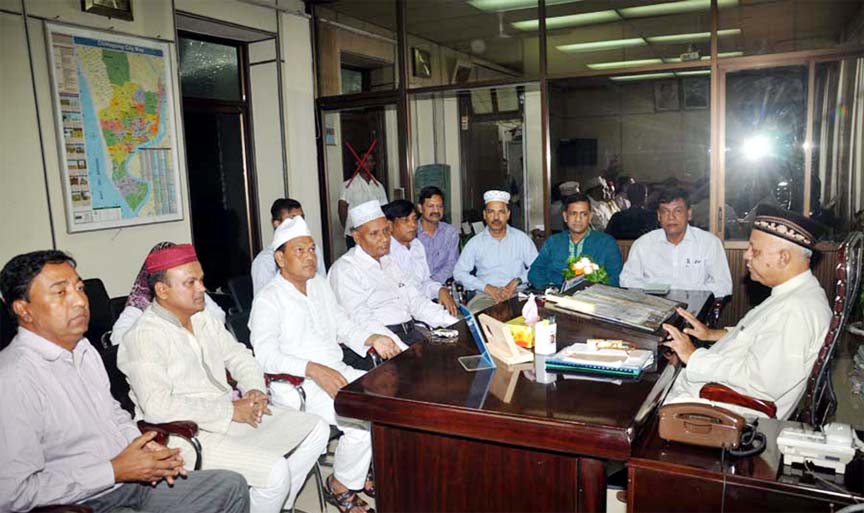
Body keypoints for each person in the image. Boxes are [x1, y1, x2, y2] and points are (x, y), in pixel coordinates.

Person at [0, 250, 250, 513]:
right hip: (81, 502)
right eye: (61, 292)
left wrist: (144, 447)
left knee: (230, 486)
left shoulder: (83, 351)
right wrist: (113, 471)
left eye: (80, 288)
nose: (79, 301)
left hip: (129, 481)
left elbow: (113, 414)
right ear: (23, 309)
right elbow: (11, 493)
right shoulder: (13, 379)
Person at [117, 244, 330, 513]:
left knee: (317, 429)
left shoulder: (202, 316)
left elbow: (238, 355)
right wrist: (230, 411)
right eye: (190, 283)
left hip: (230, 415)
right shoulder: (144, 336)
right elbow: (158, 407)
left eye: (201, 280)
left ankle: (275, 504)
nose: (202, 289)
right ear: (162, 290)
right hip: (186, 434)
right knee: (276, 472)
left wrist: (254, 388)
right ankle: (268, 496)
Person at [250, 216, 401, 513]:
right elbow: (265, 356)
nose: (310, 257)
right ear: (280, 258)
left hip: (336, 371)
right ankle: (340, 485)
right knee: (361, 422)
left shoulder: (318, 285)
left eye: (312, 249)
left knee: (390, 397)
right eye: (300, 251)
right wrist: (313, 369)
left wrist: (372, 337)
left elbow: (343, 324)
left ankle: (361, 471)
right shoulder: (268, 299)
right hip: (298, 387)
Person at [662, 205, 831, 420]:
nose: (746, 255)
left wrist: (693, 356)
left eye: (755, 250)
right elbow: (758, 335)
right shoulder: (795, 293)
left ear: (784, 257)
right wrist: (711, 334)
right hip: (720, 393)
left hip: (730, 412)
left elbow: (761, 383)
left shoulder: (795, 311)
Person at [329, 200, 458, 347]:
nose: (384, 239)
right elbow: (362, 319)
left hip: (411, 333)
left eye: (386, 231)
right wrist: (400, 347)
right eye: (374, 234)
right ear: (357, 237)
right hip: (381, 344)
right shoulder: (346, 269)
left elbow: (416, 301)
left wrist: (456, 324)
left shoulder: (389, 263)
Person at [620, 187, 733, 298]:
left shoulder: (709, 243)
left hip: (694, 311)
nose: (671, 217)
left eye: (677, 211)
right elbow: (626, 280)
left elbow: (724, 286)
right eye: (665, 212)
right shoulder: (643, 244)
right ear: (659, 216)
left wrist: (683, 292)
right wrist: (656, 290)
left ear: (689, 214)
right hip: (654, 306)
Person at [110, 241, 226, 346]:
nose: (199, 287)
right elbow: (117, 339)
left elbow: (219, 316)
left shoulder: (193, 290)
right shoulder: (139, 305)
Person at [454, 190, 538, 312]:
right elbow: (459, 273)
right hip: (485, 296)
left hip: (517, 293)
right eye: (491, 212)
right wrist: (487, 288)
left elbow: (538, 267)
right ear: (484, 214)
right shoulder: (475, 243)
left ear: (508, 214)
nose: (496, 217)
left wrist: (517, 281)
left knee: (529, 317)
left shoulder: (522, 239)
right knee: (480, 320)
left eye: (501, 212)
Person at [528, 193, 623, 288]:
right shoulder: (553, 242)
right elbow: (535, 272)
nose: (578, 219)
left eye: (584, 214)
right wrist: (552, 288)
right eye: (573, 213)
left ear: (590, 217)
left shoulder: (606, 243)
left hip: (594, 298)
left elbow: (615, 278)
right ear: (565, 217)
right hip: (556, 296)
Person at [384, 199, 459, 316]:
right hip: (400, 313)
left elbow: (424, 281)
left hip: (423, 307)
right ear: (390, 225)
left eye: (414, 219)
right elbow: (405, 294)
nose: (413, 225)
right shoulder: (385, 252)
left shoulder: (417, 245)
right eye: (405, 220)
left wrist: (440, 290)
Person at [250, 198, 326, 295]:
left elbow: (322, 285)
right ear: (277, 224)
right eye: (293, 219)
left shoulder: (313, 250)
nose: (300, 222)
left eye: (302, 218)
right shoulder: (264, 261)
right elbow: (264, 297)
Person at [338, 153, 388, 249]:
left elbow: (383, 209)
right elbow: (342, 208)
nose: (369, 164)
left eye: (371, 161)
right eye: (365, 161)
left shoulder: (378, 186)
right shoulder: (348, 185)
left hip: (375, 233)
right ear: (358, 163)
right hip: (355, 234)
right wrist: (349, 228)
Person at [415, 185, 460, 284]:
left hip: (441, 286)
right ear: (420, 208)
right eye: (431, 206)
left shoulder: (450, 233)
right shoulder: (411, 233)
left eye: (439, 206)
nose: (436, 211)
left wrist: (432, 283)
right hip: (415, 287)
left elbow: (452, 264)